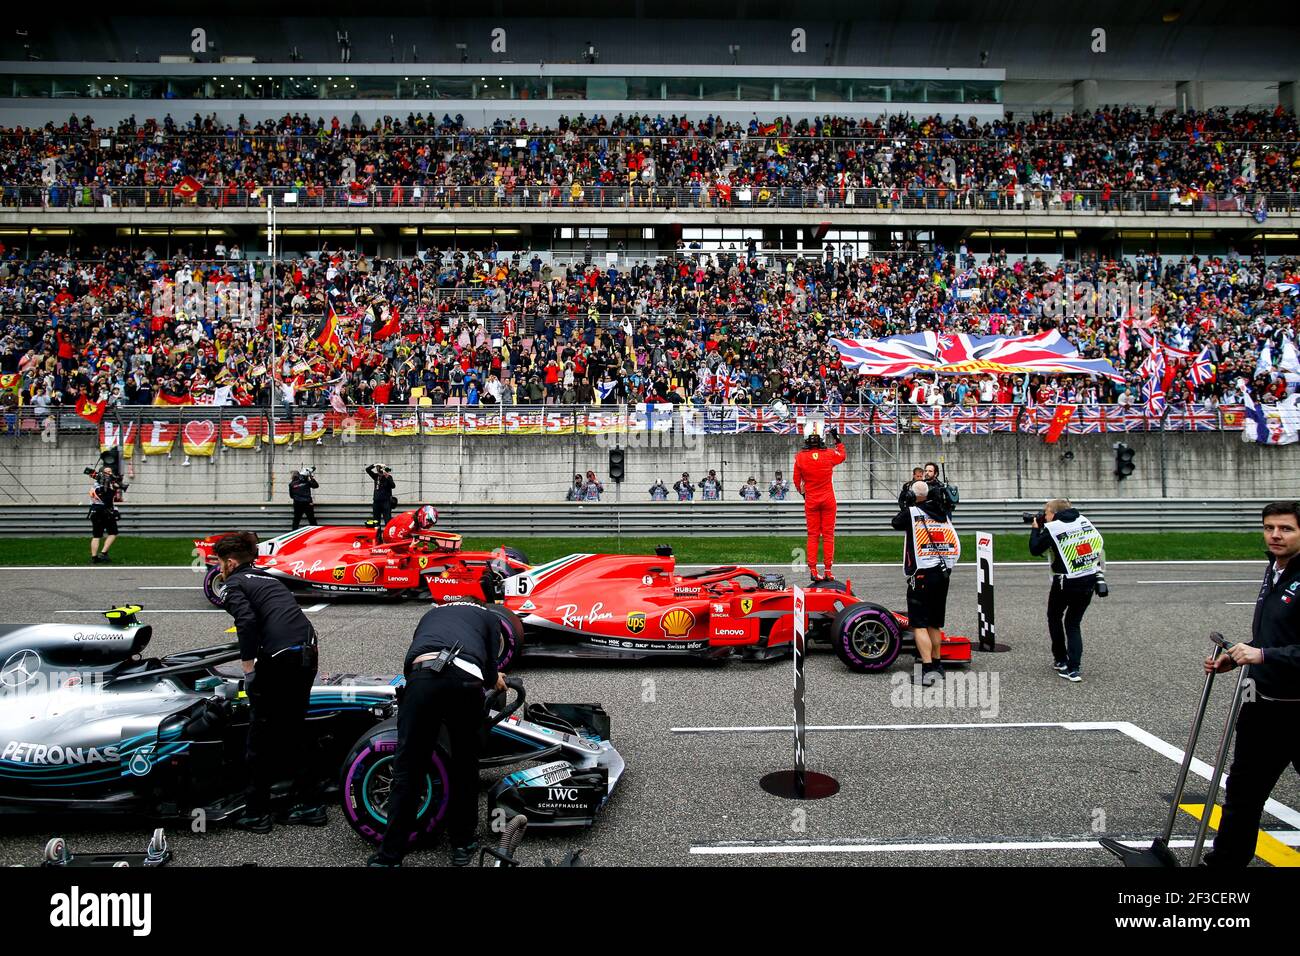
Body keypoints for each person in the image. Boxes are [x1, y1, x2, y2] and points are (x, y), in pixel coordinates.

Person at [369, 602, 505, 867]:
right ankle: (462, 844)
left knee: (407, 770)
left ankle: (389, 857)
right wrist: (496, 678)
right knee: (465, 765)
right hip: (466, 682)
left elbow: (412, 657)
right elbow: (490, 675)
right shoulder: (489, 617)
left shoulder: (431, 613)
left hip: (423, 676)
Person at [1202, 501, 1300, 868]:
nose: (1275, 535)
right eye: (1270, 527)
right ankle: (1225, 864)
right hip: (1263, 704)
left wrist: (1264, 656)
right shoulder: (1274, 569)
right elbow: (1274, 635)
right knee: (1242, 793)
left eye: (1286, 529)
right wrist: (1242, 653)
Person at [212, 531, 325, 832]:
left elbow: (246, 622)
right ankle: (309, 804)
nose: (219, 568)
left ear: (231, 563)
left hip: (282, 660)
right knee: (294, 729)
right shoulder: (270, 580)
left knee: (259, 736)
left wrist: (248, 669)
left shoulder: (232, 584)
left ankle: (257, 812)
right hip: (307, 652)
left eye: (220, 562)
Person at [892, 480, 959, 686]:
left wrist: (906, 505)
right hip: (943, 573)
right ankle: (937, 664)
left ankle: (928, 669)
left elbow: (895, 522)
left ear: (914, 496)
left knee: (918, 624)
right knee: (934, 623)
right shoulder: (943, 514)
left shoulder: (913, 512)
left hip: (922, 574)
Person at [1029, 497, 1103, 683]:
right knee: (1073, 624)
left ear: (1053, 514)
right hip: (1089, 579)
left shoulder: (1054, 528)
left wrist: (1035, 529)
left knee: (1054, 616)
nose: (1044, 516)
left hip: (1065, 581)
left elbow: (1035, 548)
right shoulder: (1083, 521)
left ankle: (1061, 660)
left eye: (1045, 513)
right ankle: (1074, 669)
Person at [793, 424, 847, 581]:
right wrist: (837, 439)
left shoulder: (800, 457)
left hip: (811, 499)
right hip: (828, 499)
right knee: (829, 535)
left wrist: (803, 493)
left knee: (813, 535)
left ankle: (813, 569)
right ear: (822, 439)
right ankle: (828, 570)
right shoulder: (830, 454)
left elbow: (796, 481)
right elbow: (842, 455)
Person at [88, 466, 122, 564]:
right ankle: (102, 554)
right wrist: (114, 510)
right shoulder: (102, 487)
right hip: (104, 512)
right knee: (110, 533)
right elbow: (107, 500)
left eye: (111, 471)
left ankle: (95, 557)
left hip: (95, 511)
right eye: (107, 472)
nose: (110, 474)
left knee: (99, 535)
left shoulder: (95, 485)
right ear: (101, 474)